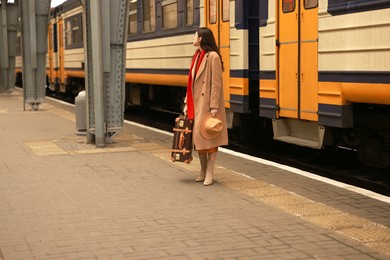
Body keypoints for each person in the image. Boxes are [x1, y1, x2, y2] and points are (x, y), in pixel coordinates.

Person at [183, 27, 228, 186]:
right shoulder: (196, 56)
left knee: (210, 138)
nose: (193, 37)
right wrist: (186, 103)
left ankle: (210, 172)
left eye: (195, 35)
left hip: (208, 105)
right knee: (199, 139)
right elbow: (190, 83)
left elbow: (216, 84)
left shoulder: (213, 56)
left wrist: (214, 106)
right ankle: (202, 170)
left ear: (201, 38)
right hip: (195, 104)